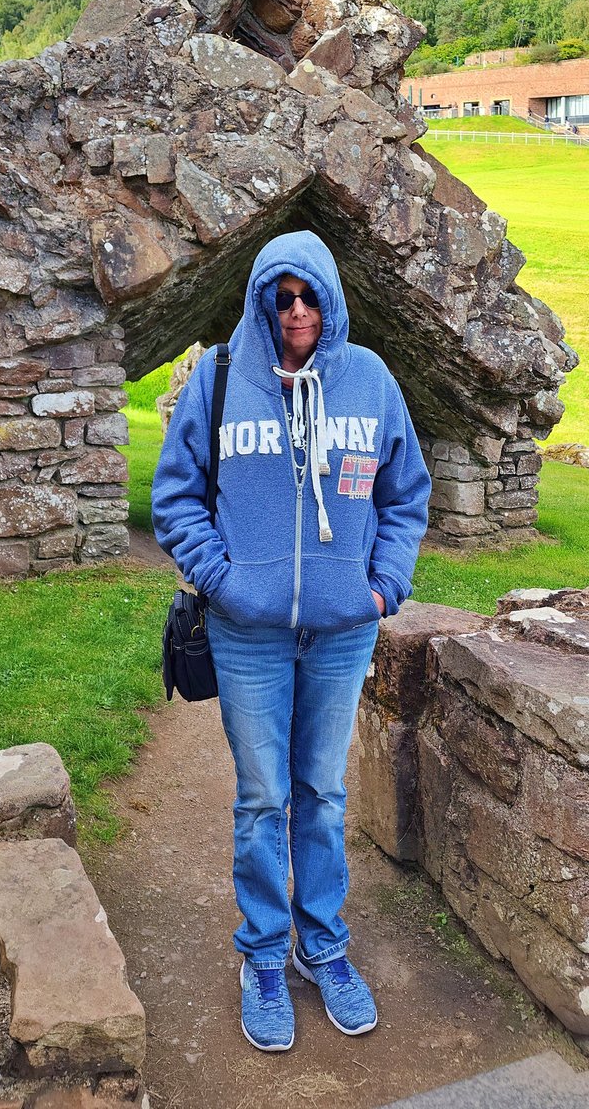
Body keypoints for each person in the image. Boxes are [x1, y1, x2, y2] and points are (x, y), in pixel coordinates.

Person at [151, 231, 431, 1053]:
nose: (297, 311)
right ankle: (265, 956)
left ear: (331, 300)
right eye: (282, 297)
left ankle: (325, 946)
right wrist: (227, 581)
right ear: (261, 302)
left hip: (343, 632)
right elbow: (175, 499)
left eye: (309, 296)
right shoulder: (220, 378)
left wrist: (382, 584)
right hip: (248, 635)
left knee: (323, 792)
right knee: (263, 798)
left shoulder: (372, 381)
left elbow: (407, 494)